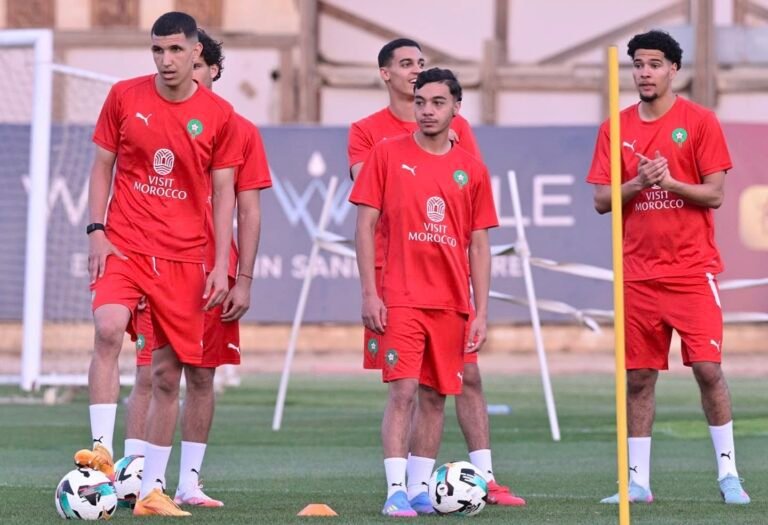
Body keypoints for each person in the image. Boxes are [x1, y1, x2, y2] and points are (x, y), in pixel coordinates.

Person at [75, 12, 244, 516]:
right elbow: (102, 166)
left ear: (196, 53)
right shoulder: (124, 96)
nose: (165, 60)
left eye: (174, 50)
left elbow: (225, 196)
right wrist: (97, 230)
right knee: (108, 327)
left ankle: (151, 490)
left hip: (184, 258)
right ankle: (101, 452)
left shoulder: (220, 115)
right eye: (157, 50)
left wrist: (221, 264)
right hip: (124, 245)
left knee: (167, 376)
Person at [348, 38, 525, 511]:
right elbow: (364, 225)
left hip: (451, 302)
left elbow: (479, 244)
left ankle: (421, 490)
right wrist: (370, 293)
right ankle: (395, 491)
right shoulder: (386, 153)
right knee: (403, 389)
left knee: (435, 395)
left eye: (438, 102)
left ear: (456, 109)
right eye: (421, 101)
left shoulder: (472, 171)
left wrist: (480, 311)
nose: (427, 110)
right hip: (401, 295)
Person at [587, 29, 750, 505]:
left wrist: (672, 183)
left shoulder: (699, 121)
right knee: (639, 378)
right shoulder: (614, 128)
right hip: (637, 275)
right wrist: (639, 181)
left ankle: (728, 474)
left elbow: (715, 194)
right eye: (638, 64)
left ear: (673, 69)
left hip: (692, 272)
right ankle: (637, 483)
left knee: (708, 369)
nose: (644, 72)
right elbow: (602, 200)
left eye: (654, 64)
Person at [120, 28, 272, 508]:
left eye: (196, 64)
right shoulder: (152, 116)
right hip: (156, 262)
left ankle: (188, 482)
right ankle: (134, 477)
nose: (181, 69)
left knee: (202, 376)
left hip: (211, 273)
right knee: (149, 371)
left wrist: (242, 278)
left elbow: (249, 210)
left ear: (211, 68)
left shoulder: (238, 129)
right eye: (165, 54)